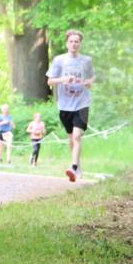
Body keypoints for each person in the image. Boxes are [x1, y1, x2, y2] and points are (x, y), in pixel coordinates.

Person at [47, 29, 94, 181]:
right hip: (65, 105)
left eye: (77, 41)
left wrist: (86, 82)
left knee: (77, 136)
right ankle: (78, 166)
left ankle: (73, 168)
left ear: (80, 44)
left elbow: (91, 81)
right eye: (71, 41)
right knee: (71, 139)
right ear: (67, 43)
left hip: (82, 104)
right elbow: (50, 81)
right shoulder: (59, 60)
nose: (74, 44)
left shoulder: (86, 61)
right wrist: (63, 79)